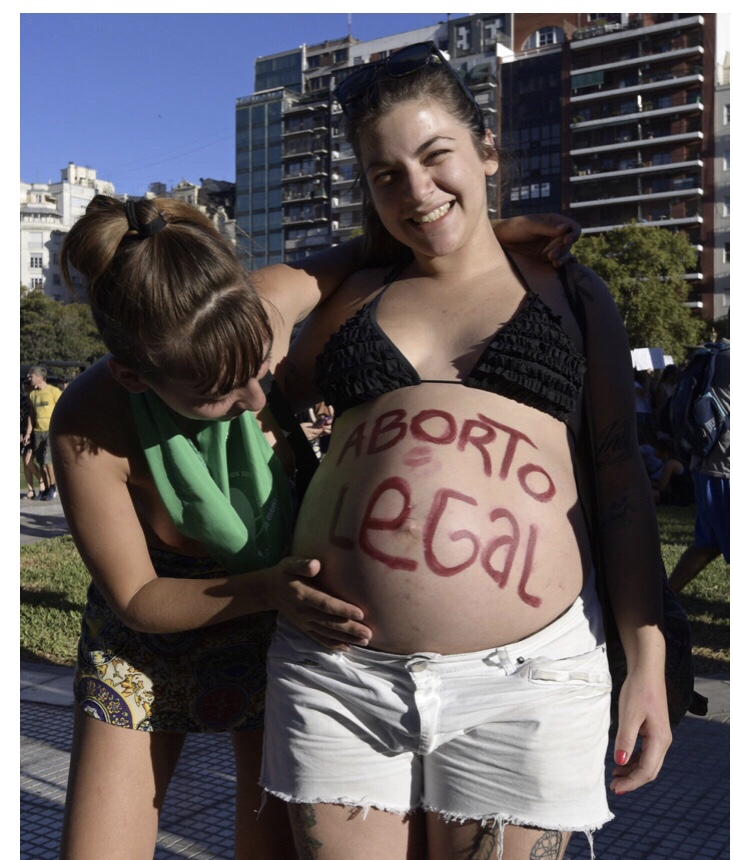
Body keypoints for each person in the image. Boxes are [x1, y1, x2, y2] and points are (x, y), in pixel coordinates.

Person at [51, 193, 577, 860]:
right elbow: (137, 598)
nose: (256, 401)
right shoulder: (88, 421)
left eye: (260, 369)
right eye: (217, 394)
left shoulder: (263, 303)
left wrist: (487, 234)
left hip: (281, 626)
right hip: (154, 639)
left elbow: (376, 248)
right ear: (133, 377)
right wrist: (268, 589)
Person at [260, 41, 672, 860]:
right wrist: (358, 253)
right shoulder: (353, 298)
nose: (416, 191)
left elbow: (621, 484)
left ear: (487, 149)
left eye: (435, 156)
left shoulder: (568, 293)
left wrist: (649, 664)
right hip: (340, 675)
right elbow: (250, 362)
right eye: (386, 176)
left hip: (527, 681)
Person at [669, 340, 730, 593]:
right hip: (726, 469)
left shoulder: (717, 353)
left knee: (707, 544)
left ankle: (664, 597)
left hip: (707, 464)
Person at [27, 365, 62, 499]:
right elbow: (31, 415)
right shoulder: (32, 394)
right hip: (38, 432)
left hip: (51, 431)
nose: (29, 378)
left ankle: (53, 487)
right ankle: (46, 489)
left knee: (48, 460)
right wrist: (28, 432)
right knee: (41, 462)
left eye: (31, 376)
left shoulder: (54, 391)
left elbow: (61, 410)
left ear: (40, 377)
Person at [21, 381, 45, 498]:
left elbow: (34, 417)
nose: (27, 388)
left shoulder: (36, 398)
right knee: (25, 463)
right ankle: (30, 490)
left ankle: (42, 479)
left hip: (34, 433)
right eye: (26, 386)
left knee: (28, 461)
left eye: (29, 385)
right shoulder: (22, 400)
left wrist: (28, 433)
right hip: (22, 433)